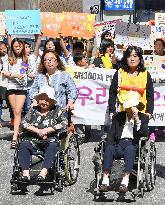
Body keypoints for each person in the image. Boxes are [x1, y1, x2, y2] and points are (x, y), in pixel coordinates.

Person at [99, 91, 150, 193]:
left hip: (133, 144)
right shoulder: (118, 117)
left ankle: (125, 180)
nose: (128, 109)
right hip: (119, 143)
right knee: (109, 148)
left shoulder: (143, 117)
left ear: (135, 106)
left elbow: (144, 134)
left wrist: (137, 120)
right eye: (127, 106)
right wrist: (109, 144)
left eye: (130, 106)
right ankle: (105, 180)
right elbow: (111, 134)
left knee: (130, 149)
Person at [18, 85, 68, 181]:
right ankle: (25, 173)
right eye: (42, 99)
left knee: (53, 146)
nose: (44, 102)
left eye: (47, 100)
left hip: (50, 139)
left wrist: (48, 130)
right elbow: (24, 123)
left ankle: (44, 171)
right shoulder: (33, 110)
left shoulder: (56, 111)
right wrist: (37, 130)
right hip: (32, 139)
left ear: (51, 101)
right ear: (38, 100)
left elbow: (64, 123)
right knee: (24, 144)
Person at [2, 38, 34, 149]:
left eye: (20, 46)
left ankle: (15, 137)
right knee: (15, 111)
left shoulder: (27, 59)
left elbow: (30, 73)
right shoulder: (8, 58)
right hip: (11, 87)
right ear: (12, 47)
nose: (18, 48)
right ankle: (19, 130)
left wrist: (30, 75)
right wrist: (15, 75)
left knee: (18, 111)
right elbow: (4, 72)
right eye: (16, 46)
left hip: (22, 87)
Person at [108, 45, 154, 118]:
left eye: (135, 56)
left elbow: (150, 96)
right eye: (129, 56)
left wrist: (149, 112)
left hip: (141, 115)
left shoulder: (146, 74)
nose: (132, 59)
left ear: (140, 58)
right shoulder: (119, 73)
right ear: (126, 58)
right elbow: (112, 93)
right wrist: (112, 111)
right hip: (122, 115)